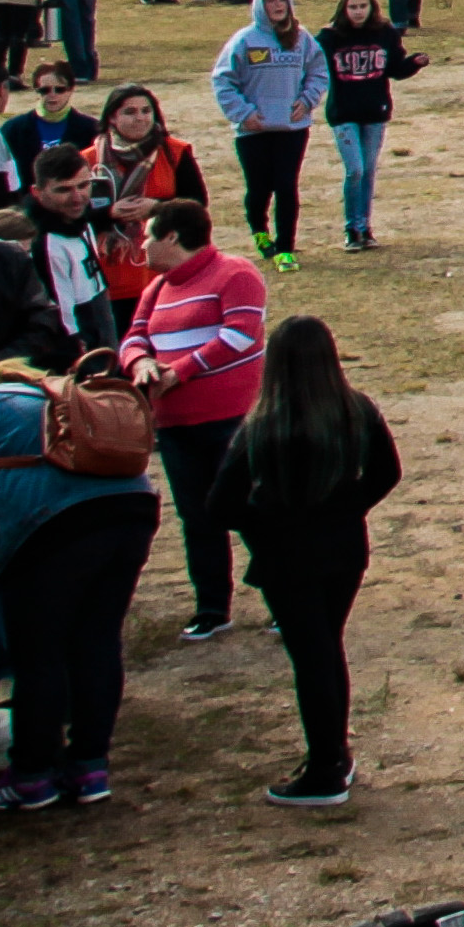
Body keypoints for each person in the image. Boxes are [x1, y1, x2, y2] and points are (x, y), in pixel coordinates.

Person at [0, 342, 158, 811]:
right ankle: (90, 766)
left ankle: (33, 774)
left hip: (53, 529)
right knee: (97, 640)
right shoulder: (59, 395)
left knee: (40, 652)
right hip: (129, 513)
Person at [210, 313, 401, 806]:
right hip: (343, 549)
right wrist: (347, 507)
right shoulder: (357, 410)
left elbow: (219, 505)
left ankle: (325, 769)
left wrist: (263, 522)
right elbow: (387, 472)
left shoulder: (261, 426)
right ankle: (334, 755)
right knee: (327, 650)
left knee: (312, 657)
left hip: (285, 556)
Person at [120, 195, 269, 642]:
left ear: (171, 236)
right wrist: (140, 365)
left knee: (249, 511)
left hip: (228, 420)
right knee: (197, 517)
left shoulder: (236, 273)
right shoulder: (157, 288)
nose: (141, 246)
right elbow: (133, 337)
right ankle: (212, 607)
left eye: (147, 236)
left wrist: (177, 372)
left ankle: (282, 594)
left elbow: (239, 336)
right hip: (174, 425)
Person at [210, 0, 323, 261]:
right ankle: (259, 230)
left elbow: (319, 71)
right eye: (270, 1)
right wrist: (243, 113)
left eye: (281, 0)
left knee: (286, 185)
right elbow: (223, 80)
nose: (277, 6)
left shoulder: (301, 38)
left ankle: (286, 247)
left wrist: (307, 100)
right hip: (254, 130)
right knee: (260, 186)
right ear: (260, 5)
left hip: (292, 127)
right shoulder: (244, 40)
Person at [314, 0, 419, 251]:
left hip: (375, 111)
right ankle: (352, 227)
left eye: (362, 6)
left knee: (369, 170)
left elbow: (395, 68)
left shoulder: (384, 33)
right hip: (344, 113)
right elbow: (313, 67)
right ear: (344, 9)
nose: (358, 12)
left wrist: (414, 64)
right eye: (353, 7)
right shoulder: (330, 37)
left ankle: (365, 226)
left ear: (371, 7)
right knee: (355, 170)